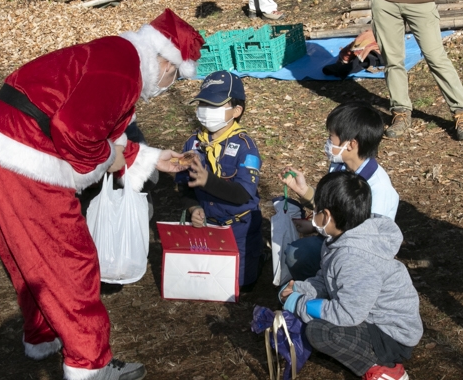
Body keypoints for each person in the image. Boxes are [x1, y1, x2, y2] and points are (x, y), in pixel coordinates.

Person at [0, 9, 205, 380]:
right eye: (177, 76)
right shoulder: (125, 72)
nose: (171, 83)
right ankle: (90, 365)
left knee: (27, 256)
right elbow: (77, 133)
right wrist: (108, 158)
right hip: (27, 162)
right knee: (73, 262)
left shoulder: (117, 54)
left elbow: (97, 123)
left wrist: (150, 159)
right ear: (167, 61)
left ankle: (43, 334)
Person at [280, 171, 423, 380]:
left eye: (315, 210)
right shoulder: (343, 235)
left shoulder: (353, 258)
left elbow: (348, 314)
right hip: (368, 313)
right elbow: (326, 278)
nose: (313, 215)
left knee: (320, 332)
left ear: (327, 216)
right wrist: (300, 289)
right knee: (313, 316)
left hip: (393, 336)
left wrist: (301, 304)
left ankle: (387, 370)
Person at [280, 102, 399, 281]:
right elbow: (337, 208)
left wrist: (318, 228)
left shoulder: (378, 190)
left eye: (331, 138)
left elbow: (367, 244)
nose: (328, 143)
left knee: (298, 254)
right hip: (335, 240)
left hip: (359, 256)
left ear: (351, 144)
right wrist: (304, 191)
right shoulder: (339, 166)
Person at [175, 71, 264, 292]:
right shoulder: (193, 143)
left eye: (214, 105)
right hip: (208, 225)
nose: (205, 111)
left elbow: (244, 193)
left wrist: (208, 182)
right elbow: (183, 184)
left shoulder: (245, 146)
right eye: (202, 103)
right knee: (208, 279)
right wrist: (193, 206)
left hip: (239, 227)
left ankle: (258, 257)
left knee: (241, 286)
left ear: (236, 111)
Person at [371, 0, 463, 141]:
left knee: (436, 58)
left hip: (421, 0)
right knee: (393, 61)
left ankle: (462, 112)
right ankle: (400, 112)